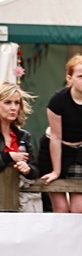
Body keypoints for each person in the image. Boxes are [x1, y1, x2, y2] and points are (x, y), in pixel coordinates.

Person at [39, 54, 82, 213]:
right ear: (70, 78)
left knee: (79, 207)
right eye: (81, 76)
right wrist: (56, 171)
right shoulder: (58, 101)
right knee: (61, 208)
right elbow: (56, 137)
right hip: (55, 148)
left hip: (79, 150)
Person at [0, 82, 40, 211]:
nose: (13, 107)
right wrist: (9, 157)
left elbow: (36, 169)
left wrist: (28, 169)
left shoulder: (23, 136)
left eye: (17, 103)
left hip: (18, 202)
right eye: (8, 102)